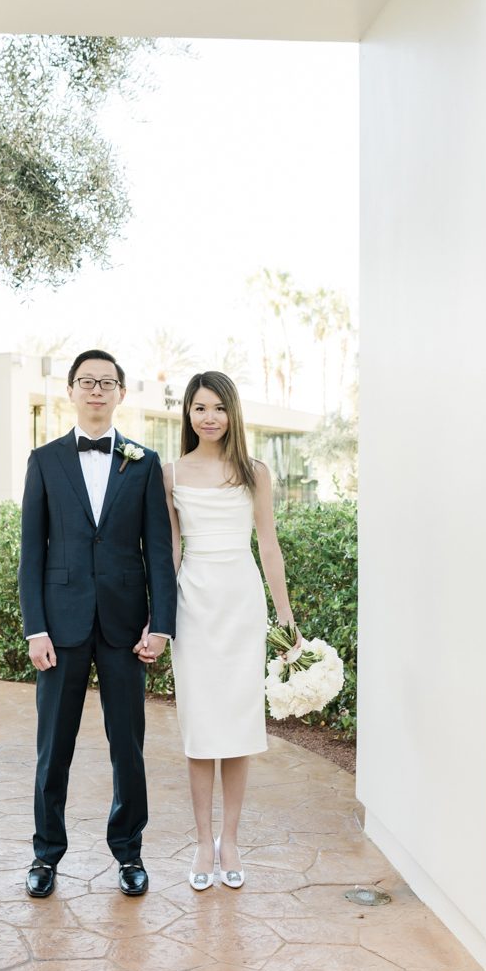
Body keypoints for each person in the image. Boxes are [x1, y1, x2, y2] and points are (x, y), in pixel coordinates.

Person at [19, 350, 177, 899]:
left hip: (125, 627)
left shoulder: (144, 462)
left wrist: (161, 624)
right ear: (71, 391)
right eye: (86, 381)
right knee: (53, 748)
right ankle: (45, 855)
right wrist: (35, 628)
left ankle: (129, 852)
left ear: (120, 394)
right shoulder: (44, 460)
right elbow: (31, 553)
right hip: (59, 628)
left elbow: (159, 551)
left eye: (106, 382)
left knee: (127, 746)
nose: (96, 390)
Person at [164, 370, 300, 890]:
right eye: (200, 408)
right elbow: (171, 548)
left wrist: (285, 618)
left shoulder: (255, 472)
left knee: (239, 726)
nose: (210, 417)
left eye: (219, 408)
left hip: (242, 605)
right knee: (201, 729)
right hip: (194, 607)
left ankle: (231, 839)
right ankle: (203, 842)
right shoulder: (170, 473)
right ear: (188, 414)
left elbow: (268, 545)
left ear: (232, 412)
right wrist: (160, 616)